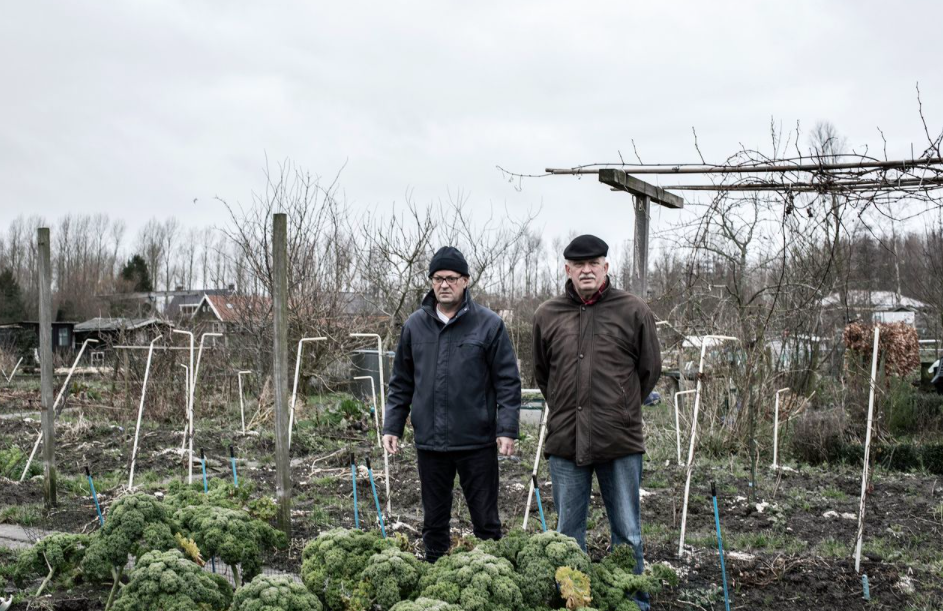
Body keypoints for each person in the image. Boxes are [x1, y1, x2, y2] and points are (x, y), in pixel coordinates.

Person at [532, 234, 661, 610]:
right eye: (579, 265)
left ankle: (634, 601)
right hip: (566, 442)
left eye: (595, 263)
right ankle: (575, 600)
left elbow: (649, 369)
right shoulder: (547, 315)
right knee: (567, 533)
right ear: (567, 269)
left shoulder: (633, 310)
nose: (587, 270)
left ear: (607, 267)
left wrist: (620, 409)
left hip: (618, 441)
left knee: (628, 531)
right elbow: (544, 375)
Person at [383, 246, 521, 563]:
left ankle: (493, 574)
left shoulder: (489, 325)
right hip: (430, 442)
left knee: (486, 522)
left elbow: (507, 381)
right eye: (437, 278)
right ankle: (435, 576)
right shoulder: (415, 326)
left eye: (451, 278)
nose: (444, 284)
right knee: (434, 522)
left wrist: (507, 428)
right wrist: (393, 424)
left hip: (477, 441)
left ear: (465, 281)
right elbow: (401, 381)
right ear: (431, 282)